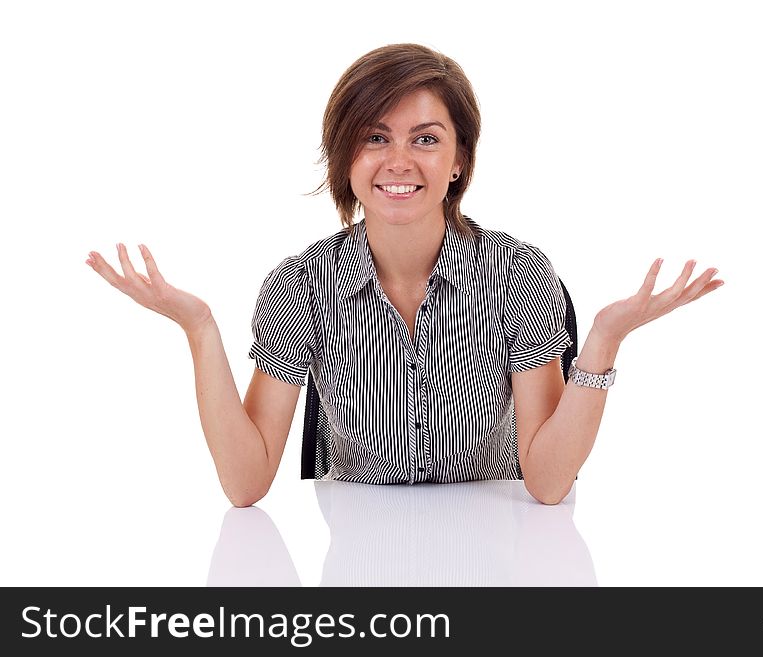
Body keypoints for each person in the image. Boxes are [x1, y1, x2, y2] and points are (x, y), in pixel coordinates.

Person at [85, 43, 723, 507]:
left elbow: (550, 484)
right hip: (362, 556)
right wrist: (198, 327)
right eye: (374, 137)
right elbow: (245, 484)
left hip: (495, 547)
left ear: (457, 160)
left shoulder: (514, 271)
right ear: (346, 157)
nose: (398, 162)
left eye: (424, 139)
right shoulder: (302, 285)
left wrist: (606, 339)